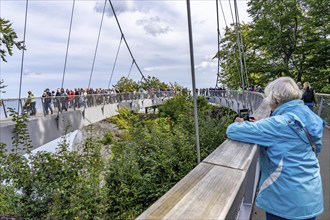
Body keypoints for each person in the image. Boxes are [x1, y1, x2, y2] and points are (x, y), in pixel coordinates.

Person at [226, 77, 324, 220]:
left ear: (276, 99)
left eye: (268, 97)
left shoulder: (278, 124)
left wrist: (239, 123)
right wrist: (265, 123)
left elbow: (233, 131)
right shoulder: (312, 117)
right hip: (310, 196)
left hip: (285, 201)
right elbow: (316, 149)